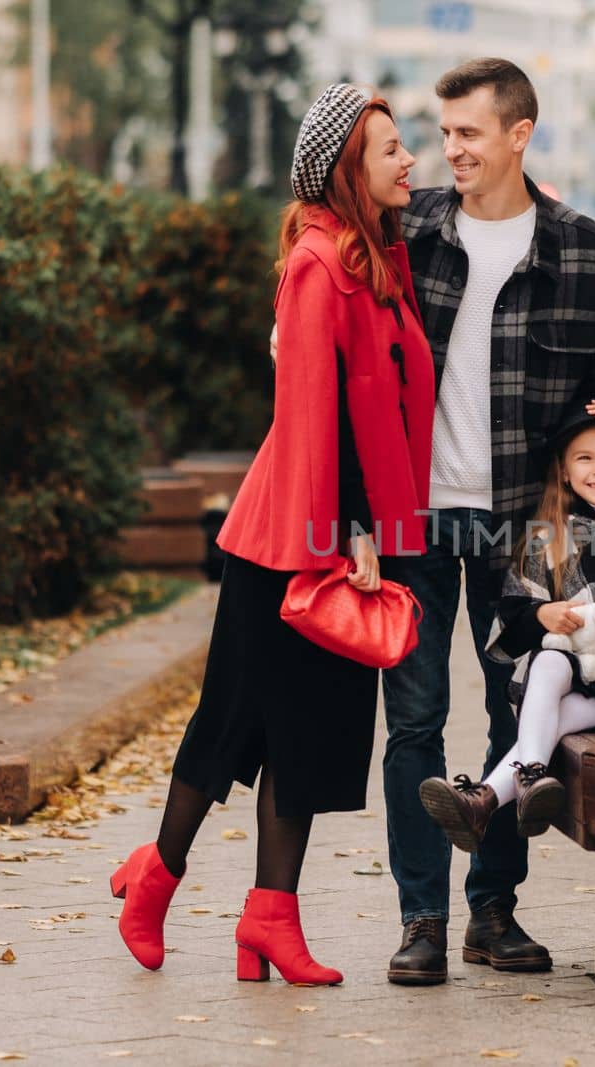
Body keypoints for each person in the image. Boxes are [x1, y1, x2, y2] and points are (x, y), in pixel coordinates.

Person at [109, 84, 433, 987]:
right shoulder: (318, 266)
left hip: (332, 530)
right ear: (346, 171)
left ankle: (260, 917)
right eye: (391, 151)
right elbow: (313, 414)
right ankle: (160, 881)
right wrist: (352, 529)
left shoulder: (370, 258)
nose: (410, 161)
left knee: (293, 728)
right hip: (293, 538)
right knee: (246, 724)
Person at [383, 56, 595, 984]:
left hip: (527, 536)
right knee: (414, 723)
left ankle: (492, 911)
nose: (452, 151)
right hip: (418, 520)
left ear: (519, 134)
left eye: (469, 133)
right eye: (444, 135)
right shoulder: (412, 232)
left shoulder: (580, 252)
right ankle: (423, 921)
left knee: (519, 710)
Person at [418, 399, 595, 866]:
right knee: (550, 663)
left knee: (547, 711)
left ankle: (503, 786)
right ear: (564, 470)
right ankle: (499, 793)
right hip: (576, 684)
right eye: (585, 458)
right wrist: (544, 616)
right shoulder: (548, 535)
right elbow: (512, 623)